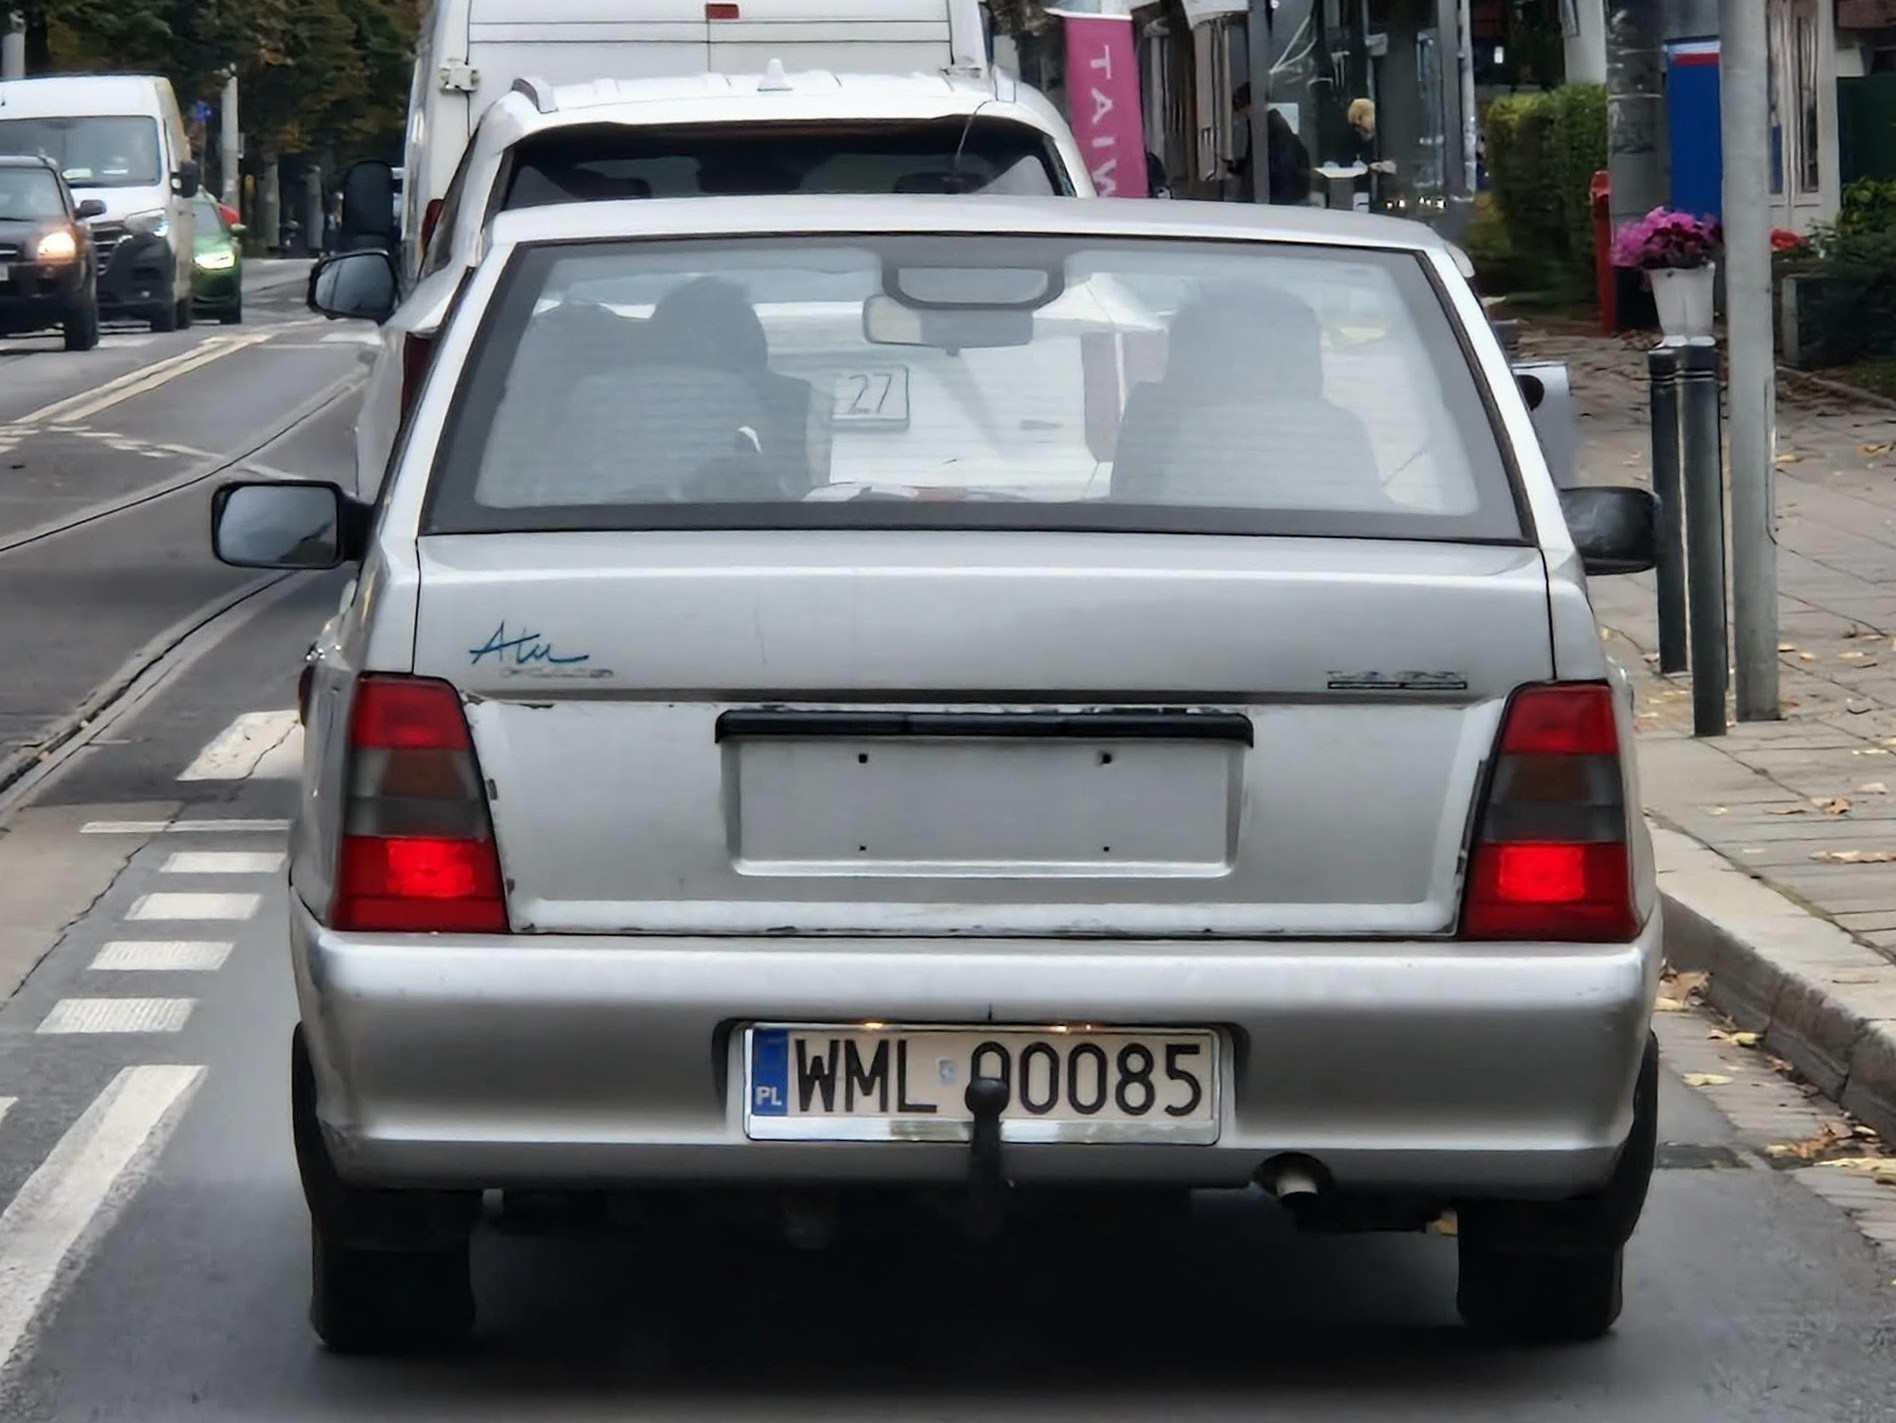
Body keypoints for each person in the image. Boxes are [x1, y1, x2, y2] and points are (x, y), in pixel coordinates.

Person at [1226, 83, 1311, 206]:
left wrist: (1248, 169)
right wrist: (1240, 166)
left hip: (1278, 199)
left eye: (1245, 112)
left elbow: (1278, 166)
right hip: (1275, 197)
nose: (1245, 117)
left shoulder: (1273, 130)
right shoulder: (1268, 128)